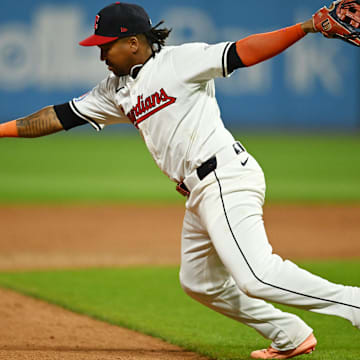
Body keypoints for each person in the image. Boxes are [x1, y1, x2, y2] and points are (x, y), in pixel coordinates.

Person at [1, 2, 359, 359]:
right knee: (200, 282)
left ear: (133, 43)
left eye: (105, 45)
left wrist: (307, 27)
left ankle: (354, 304)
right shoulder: (114, 90)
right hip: (199, 191)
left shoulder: (179, 61)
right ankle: (289, 333)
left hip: (224, 176)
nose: (101, 54)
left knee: (256, 275)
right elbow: (57, 117)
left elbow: (242, 52)